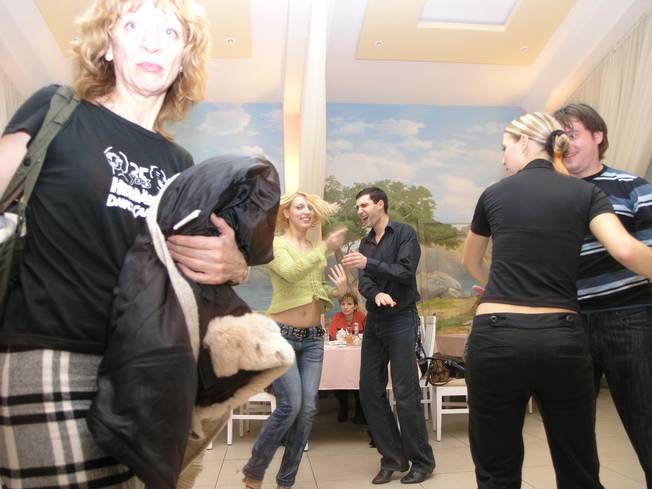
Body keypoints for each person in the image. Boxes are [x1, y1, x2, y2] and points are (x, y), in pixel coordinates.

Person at [0, 1, 248, 487]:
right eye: (133, 26)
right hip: (47, 352)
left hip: (143, 366)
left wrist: (233, 264)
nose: (152, 43)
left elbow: (189, 271)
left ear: (184, 58)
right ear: (108, 46)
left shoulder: (180, 162)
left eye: (170, 33)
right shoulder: (58, 110)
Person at [461, 111, 652, 489]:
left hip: (496, 336)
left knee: (496, 470)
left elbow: (470, 261)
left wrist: (502, 288)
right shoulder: (586, 193)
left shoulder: (493, 193)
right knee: (577, 466)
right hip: (562, 334)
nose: (503, 158)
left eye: (504, 147)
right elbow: (626, 250)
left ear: (524, 142)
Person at [553, 103, 652, 486]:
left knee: (646, 420)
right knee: (568, 430)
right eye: (558, 138)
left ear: (598, 136)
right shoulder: (551, 196)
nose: (565, 144)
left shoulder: (633, 187)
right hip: (566, 324)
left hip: (631, 318)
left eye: (572, 134)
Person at [242, 191, 348, 489]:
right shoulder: (275, 244)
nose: (307, 212)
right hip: (282, 336)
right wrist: (326, 247)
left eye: (310, 208)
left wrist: (337, 292)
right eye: (300, 207)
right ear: (286, 212)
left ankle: (285, 481)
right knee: (291, 405)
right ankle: (254, 469)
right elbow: (291, 273)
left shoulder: (312, 248)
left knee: (307, 410)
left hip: (313, 338)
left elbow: (313, 290)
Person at [341, 187, 435, 485]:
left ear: (380, 204)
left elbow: (405, 272)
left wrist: (368, 264)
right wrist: (375, 293)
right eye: (357, 207)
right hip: (375, 322)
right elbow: (364, 282)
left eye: (364, 205)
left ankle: (422, 462)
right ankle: (393, 458)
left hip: (402, 319)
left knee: (406, 393)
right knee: (370, 390)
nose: (359, 211)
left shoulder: (404, 234)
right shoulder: (365, 242)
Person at [328, 292, 366, 423]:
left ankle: (360, 409)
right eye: (343, 304)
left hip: (358, 357)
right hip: (341, 357)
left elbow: (367, 334)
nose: (346, 307)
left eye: (349, 304)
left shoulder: (361, 316)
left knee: (359, 375)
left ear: (355, 306)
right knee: (338, 373)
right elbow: (332, 335)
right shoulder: (336, 317)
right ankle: (343, 405)